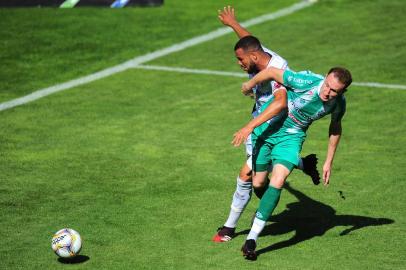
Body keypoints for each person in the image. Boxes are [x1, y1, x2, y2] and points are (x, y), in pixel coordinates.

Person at [213, 6, 320, 243]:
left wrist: (249, 127)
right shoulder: (258, 55)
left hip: (275, 127)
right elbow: (248, 41)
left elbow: (281, 103)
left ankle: (229, 229)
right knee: (259, 184)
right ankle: (303, 163)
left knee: (246, 174)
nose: (239, 63)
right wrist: (233, 23)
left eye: (240, 60)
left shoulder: (279, 71)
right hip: (261, 122)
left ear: (253, 57)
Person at [236, 66, 352, 260]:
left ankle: (251, 240)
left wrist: (328, 162)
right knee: (257, 184)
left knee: (278, 180)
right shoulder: (306, 82)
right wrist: (249, 84)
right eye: (327, 86)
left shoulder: (338, 104)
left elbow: (335, 127)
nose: (327, 92)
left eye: (334, 91)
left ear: (342, 91)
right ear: (324, 78)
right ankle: (303, 164)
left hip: (292, 136)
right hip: (269, 128)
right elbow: (272, 71)